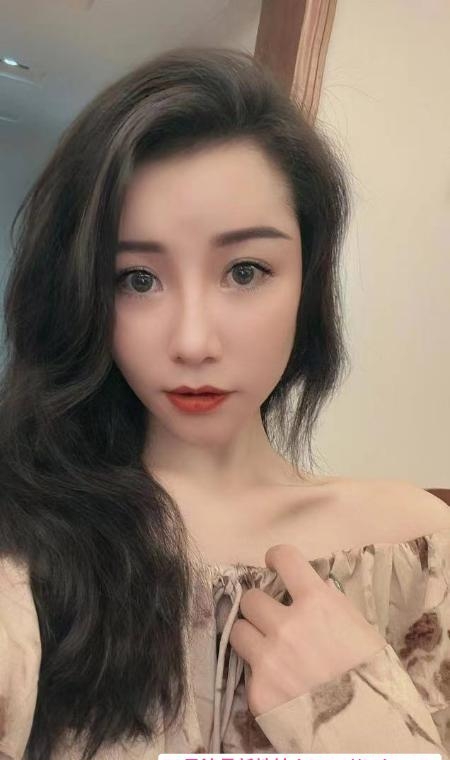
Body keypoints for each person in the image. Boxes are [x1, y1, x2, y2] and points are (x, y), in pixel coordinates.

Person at [0, 45, 449, 760]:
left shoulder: (419, 552)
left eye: (244, 270)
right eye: (137, 279)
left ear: (308, 281)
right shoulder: (28, 538)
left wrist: (358, 724)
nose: (192, 341)